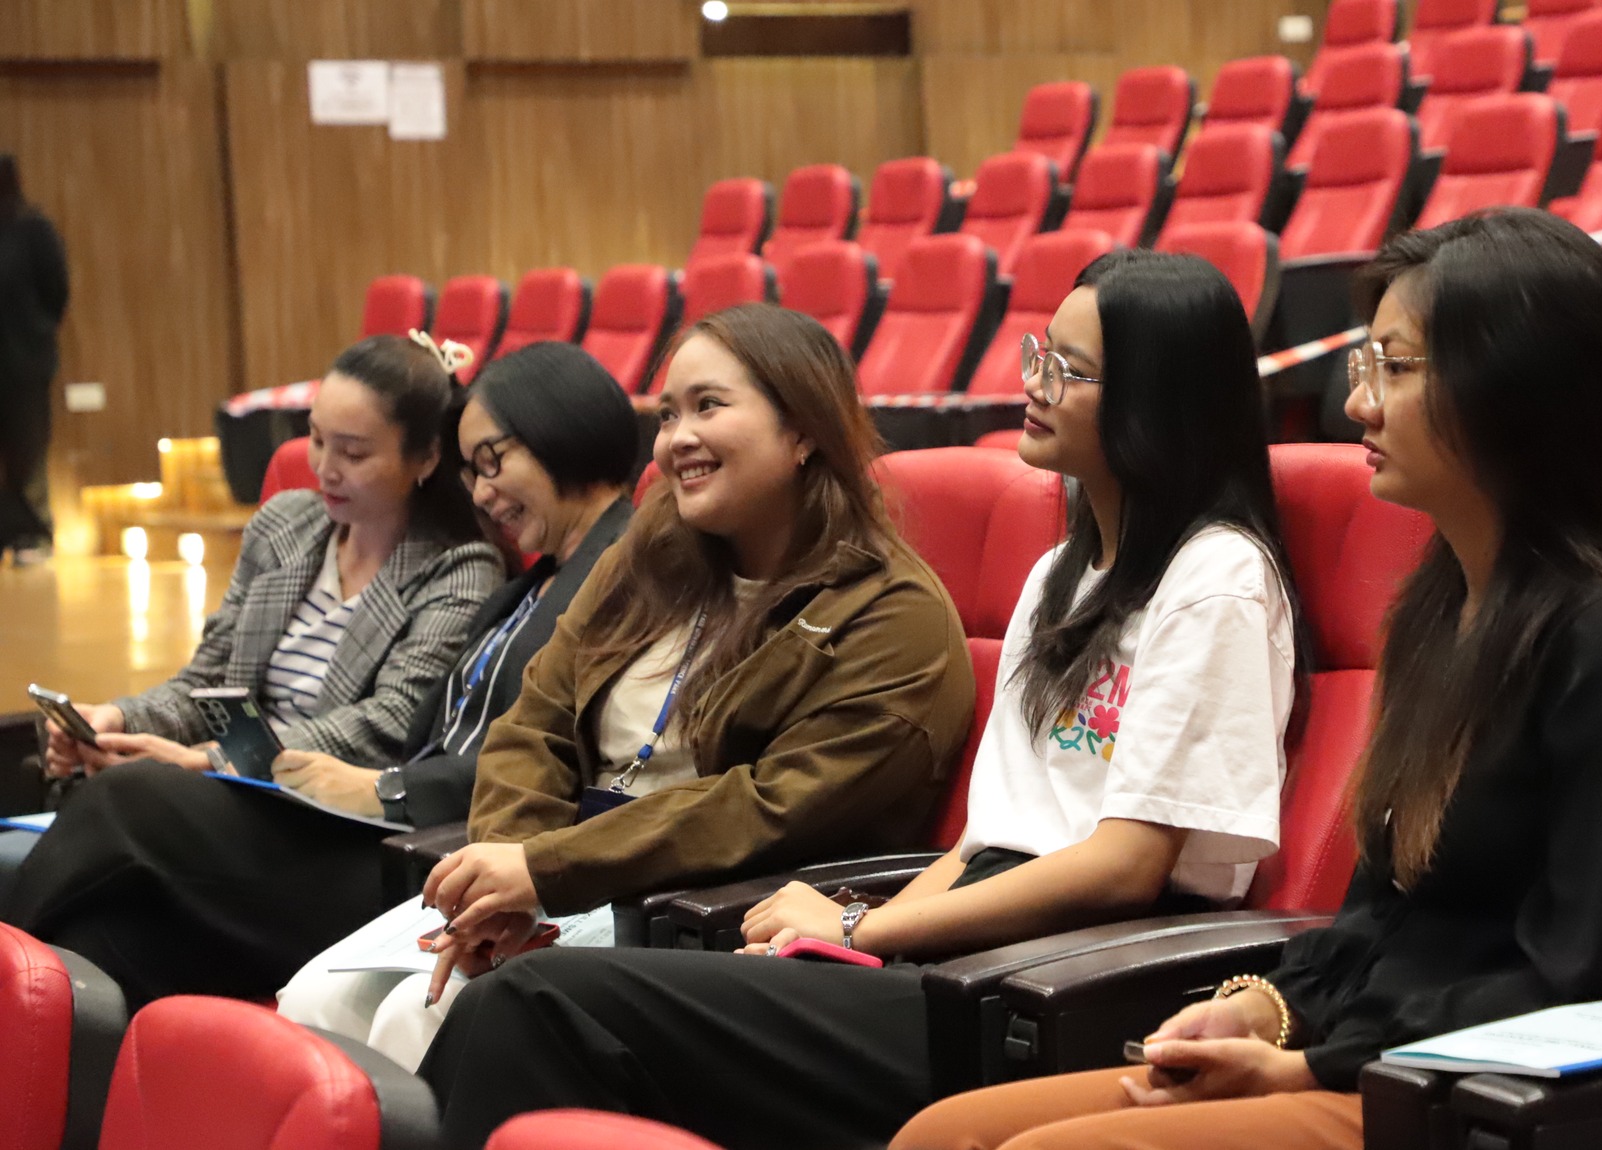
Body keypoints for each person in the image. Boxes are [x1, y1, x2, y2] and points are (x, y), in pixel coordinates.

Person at [416, 249, 1307, 1150]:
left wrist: (861, 925)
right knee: (525, 1013)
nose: (1033, 383)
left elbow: (1125, 867)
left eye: (1068, 371)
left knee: (541, 1004)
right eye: (1040, 354)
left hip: (1073, 980)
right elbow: (985, 843)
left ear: (1158, 399)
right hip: (972, 951)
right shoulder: (1059, 575)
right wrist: (849, 941)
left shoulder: (1217, 578)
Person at [890, 207, 1602, 1150]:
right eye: (1366, 366)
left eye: (1395, 369)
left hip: (1480, 1101)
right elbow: (1380, 921)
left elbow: (1586, 978)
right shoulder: (1439, 612)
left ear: (1514, 390)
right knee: (941, 1135)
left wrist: (1309, 1068)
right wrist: (1260, 1009)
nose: (1358, 403)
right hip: (1369, 1060)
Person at [276, 303, 977, 1070]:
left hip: (699, 910)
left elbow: (772, 808)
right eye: (668, 413)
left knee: (424, 1017)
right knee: (315, 1004)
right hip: (557, 873)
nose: (677, 438)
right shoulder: (651, 551)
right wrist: (505, 876)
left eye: (709, 406)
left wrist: (544, 873)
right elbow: (535, 720)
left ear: (804, 429)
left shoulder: (892, 611)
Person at [0, 342, 636, 1004]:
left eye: (353, 452)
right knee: (109, 935)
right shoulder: (535, 581)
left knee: (127, 797)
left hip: (402, 841)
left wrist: (229, 763)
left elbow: (407, 728)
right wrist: (119, 720)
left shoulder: (529, 571)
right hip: (373, 821)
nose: (480, 490)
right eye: (316, 440)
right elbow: (208, 679)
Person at [0, 154, 68, 564]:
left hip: (24, 362)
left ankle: (33, 535)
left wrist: (35, 331)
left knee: (28, 453)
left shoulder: (33, 230)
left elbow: (56, 291)